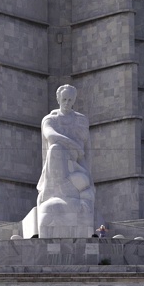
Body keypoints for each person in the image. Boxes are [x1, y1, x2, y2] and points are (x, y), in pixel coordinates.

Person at [36, 84, 96, 237]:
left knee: (82, 185)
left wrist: (89, 178)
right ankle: (54, 192)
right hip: (55, 169)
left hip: (76, 168)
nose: (67, 102)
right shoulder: (50, 119)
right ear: (58, 99)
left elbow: (87, 151)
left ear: (74, 100)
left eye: (70, 99)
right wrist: (73, 145)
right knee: (56, 148)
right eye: (64, 99)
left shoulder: (81, 121)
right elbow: (51, 136)